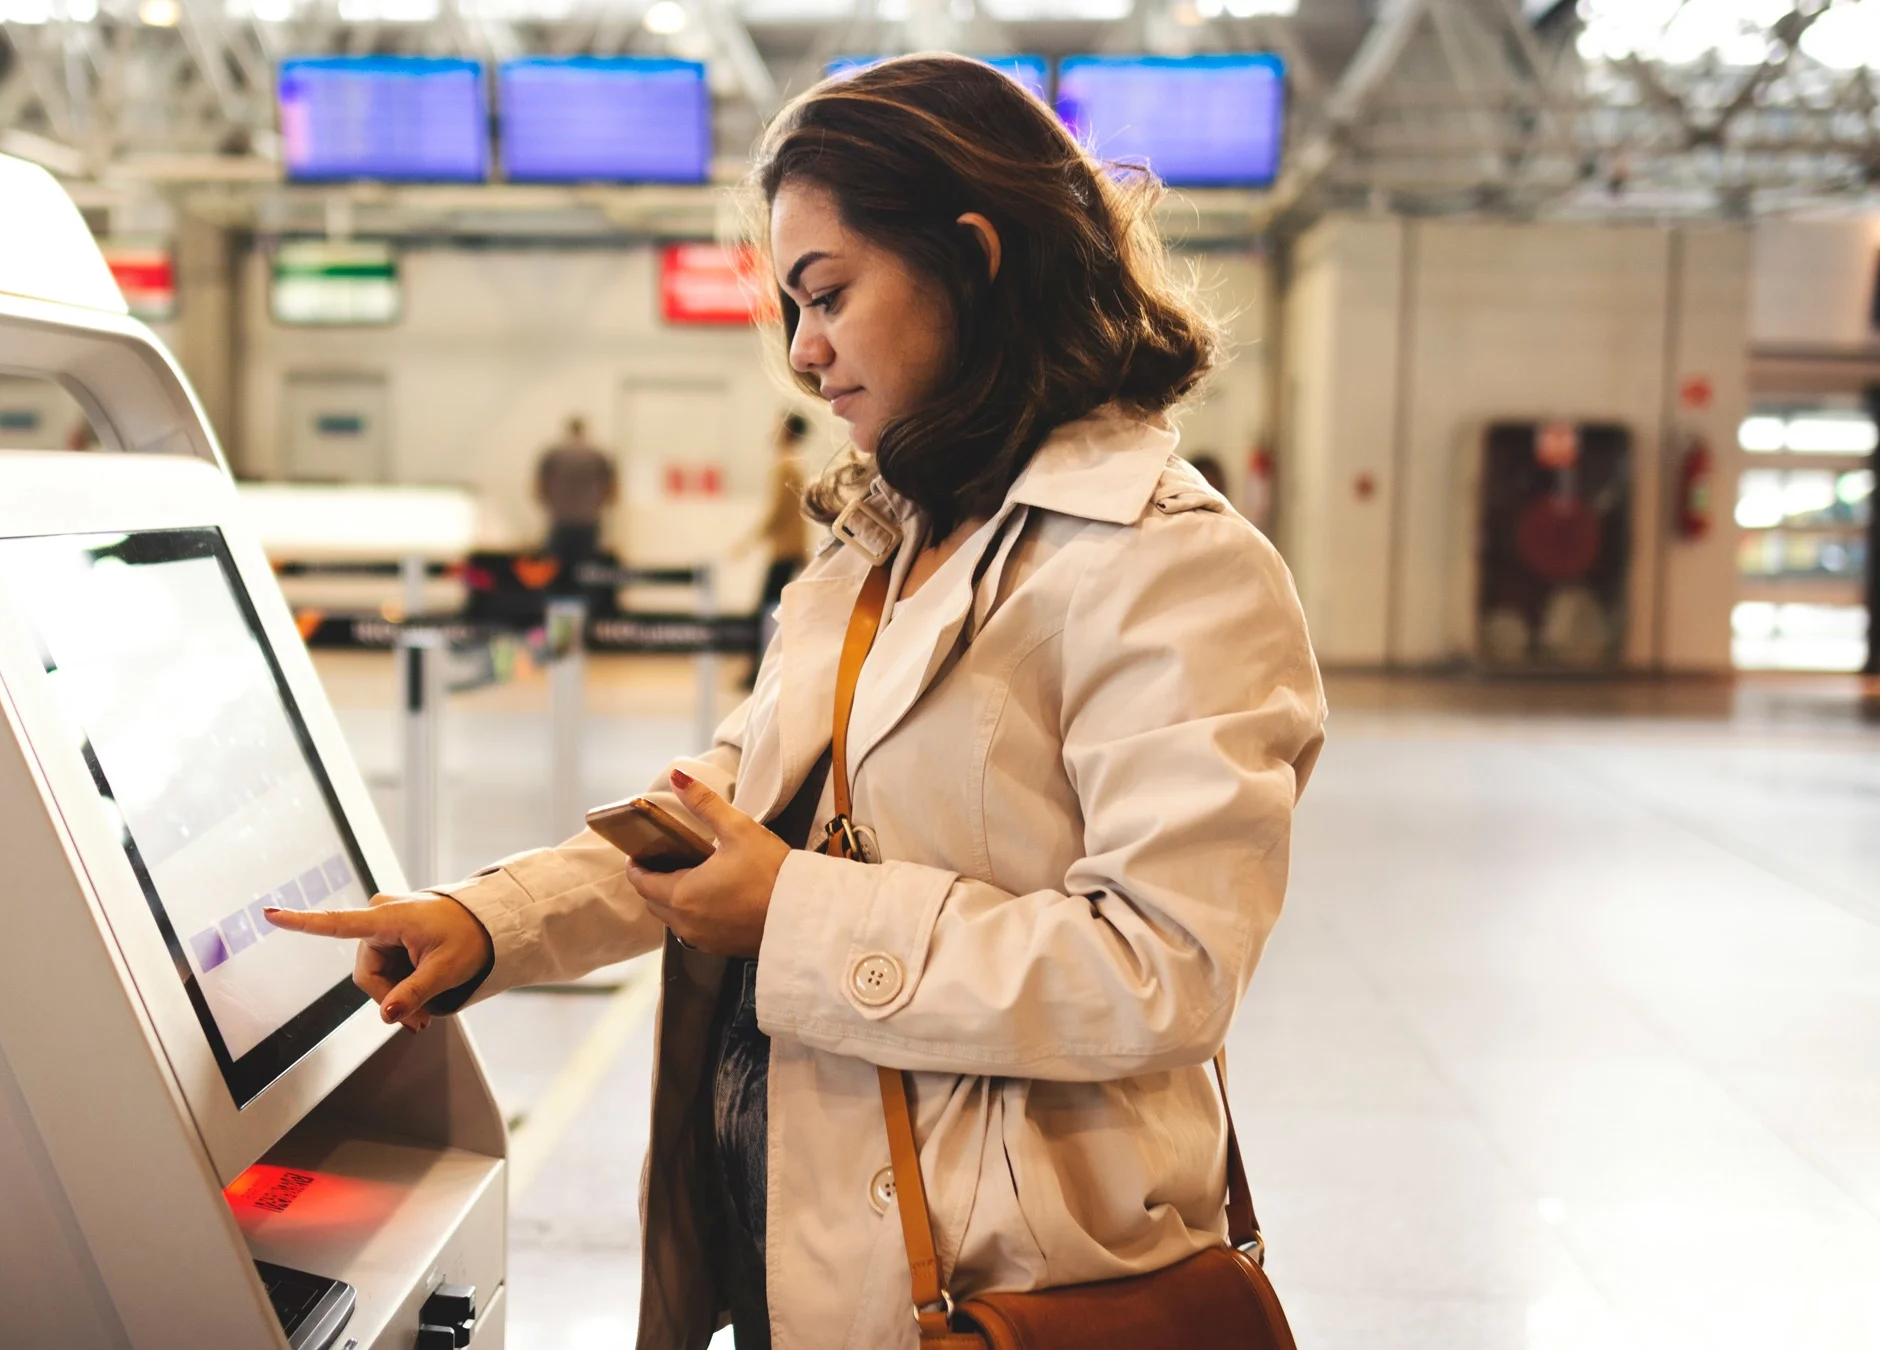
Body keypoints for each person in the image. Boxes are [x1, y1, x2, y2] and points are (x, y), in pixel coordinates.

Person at [269, 54, 1325, 1350]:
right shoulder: (875, 546)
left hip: (1005, 1287)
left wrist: (796, 910)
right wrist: (491, 922)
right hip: (796, 1247)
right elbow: (732, 809)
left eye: (828, 293)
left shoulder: (1169, 563)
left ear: (975, 257)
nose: (803, 349)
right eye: (789, 304)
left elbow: (1162, 969)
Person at [738, 410, 814, 686]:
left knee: (763, 612)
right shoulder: (796, 465)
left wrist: (747, 541)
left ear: (786, 431)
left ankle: (754, 673)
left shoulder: (785, 466)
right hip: (792, 549)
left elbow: (777, 513)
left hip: (783, 551)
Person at [534, 415, 617, 569]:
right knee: (586, 567)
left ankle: (558, 591)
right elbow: (611, 488)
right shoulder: (597, 455)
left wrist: (549, 505)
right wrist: (600, 506)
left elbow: (539, 486)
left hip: (561, 518)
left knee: (556, 566)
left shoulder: (554, 454)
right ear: (583, 432)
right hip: (588, 518)